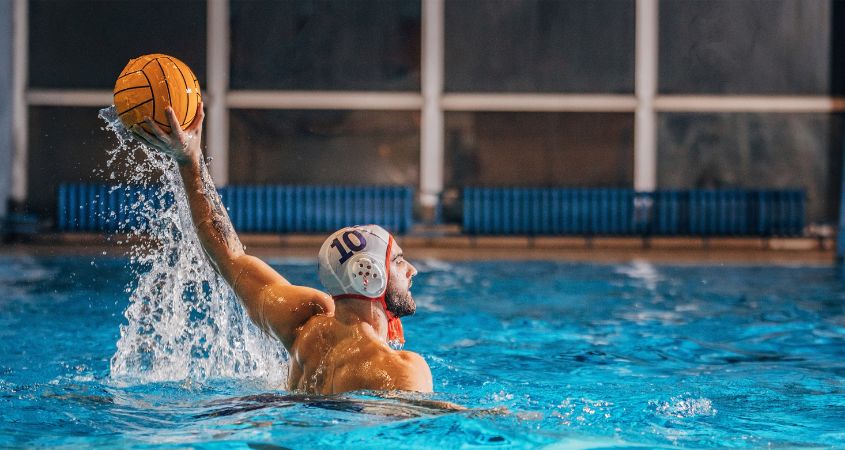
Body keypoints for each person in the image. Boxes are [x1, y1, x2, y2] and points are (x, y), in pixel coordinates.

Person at [130, 103, 433, 394]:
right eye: (398, 261)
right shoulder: (399, 370)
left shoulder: (303, 323)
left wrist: (189, 161)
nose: (412, 269)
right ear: (369, 275)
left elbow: (229, 256)